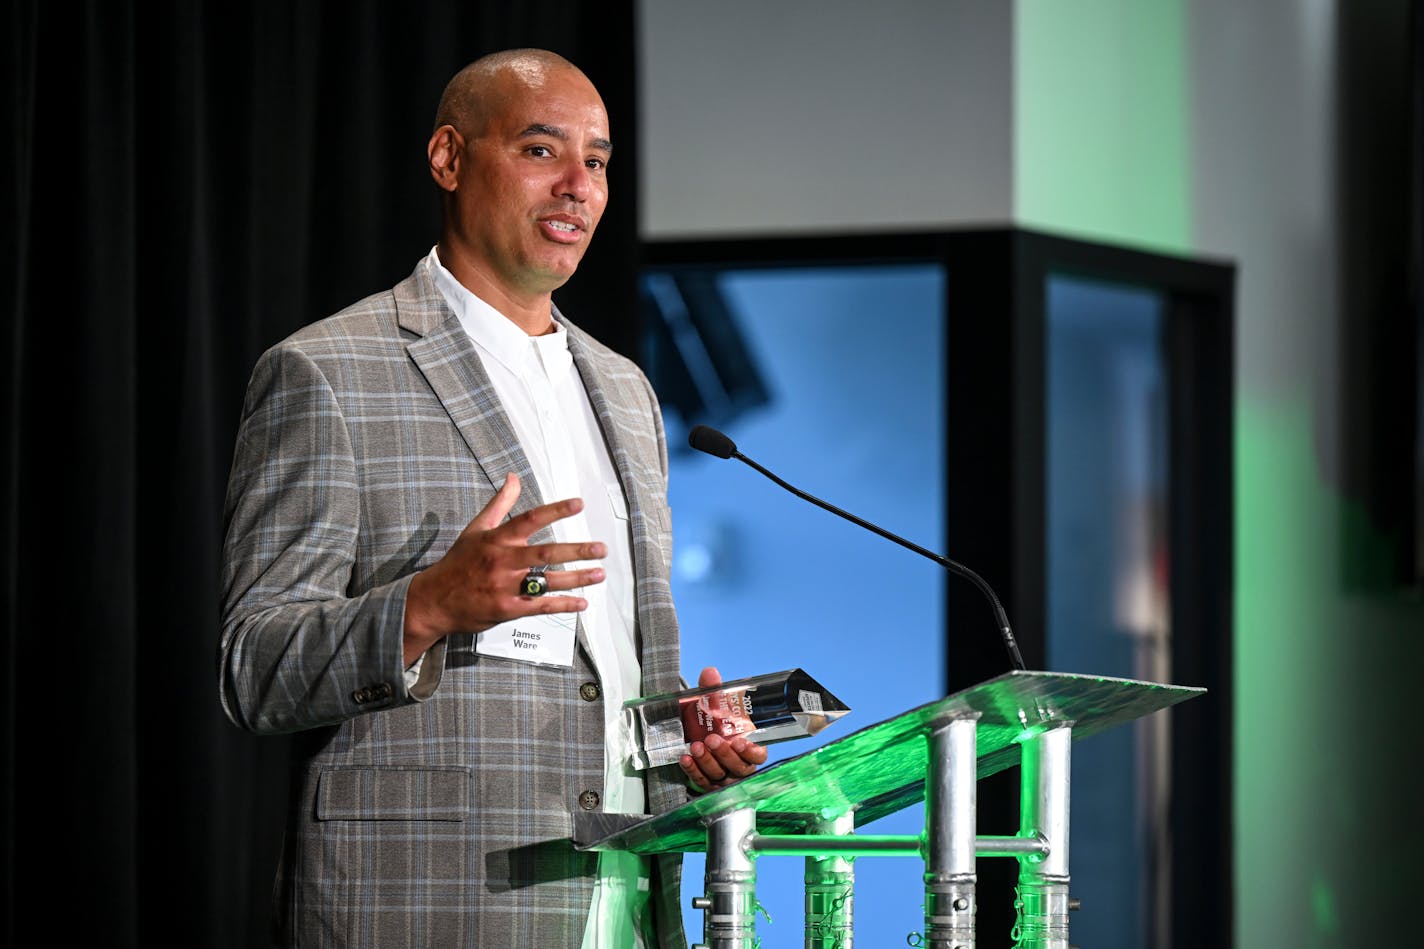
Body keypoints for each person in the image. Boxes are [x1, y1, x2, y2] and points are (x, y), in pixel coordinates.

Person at [219, 48, 765, 948]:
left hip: (625, 899)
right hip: (433, 903)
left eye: (597, 160)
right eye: (542, 151)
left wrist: (689, 741)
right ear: (449, 158)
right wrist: (432, 602)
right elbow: (252, 665)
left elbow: (599, 678)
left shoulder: (627, 390)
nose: (578, 187)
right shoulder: (328, 371)